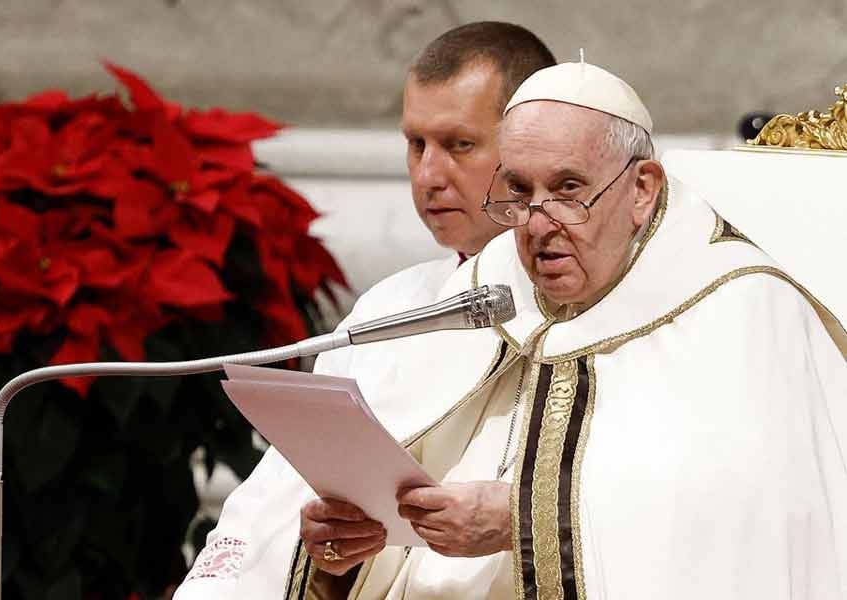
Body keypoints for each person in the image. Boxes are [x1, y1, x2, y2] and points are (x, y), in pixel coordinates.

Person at [288, 63, 847, 598]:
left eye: (568, 189)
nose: (536, 223)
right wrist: (350, 548)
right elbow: (406, 503)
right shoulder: (490, 290)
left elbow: (760, 520)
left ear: (642, 190)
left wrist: (523, 520)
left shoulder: (742, 302)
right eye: (520, 191)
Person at [173, 22, 556, 599]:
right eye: (415, 144)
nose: (428, 175)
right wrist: (332, 559)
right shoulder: (390, 308)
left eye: (459, 145)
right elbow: (295, 525)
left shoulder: (590, 312)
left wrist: (521, 521)